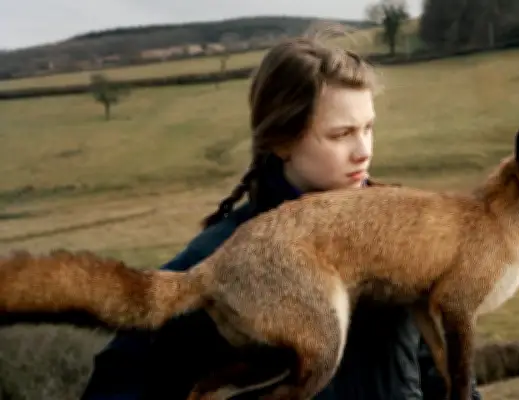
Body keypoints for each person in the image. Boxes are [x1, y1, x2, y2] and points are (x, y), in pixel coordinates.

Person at [80, 29, 483, 400]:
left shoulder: (401, 233)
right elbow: (117, 381)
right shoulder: (223, 257)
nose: (364, 151)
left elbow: (441, 372)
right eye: (341, 134)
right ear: (282, 141)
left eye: (369, 128)